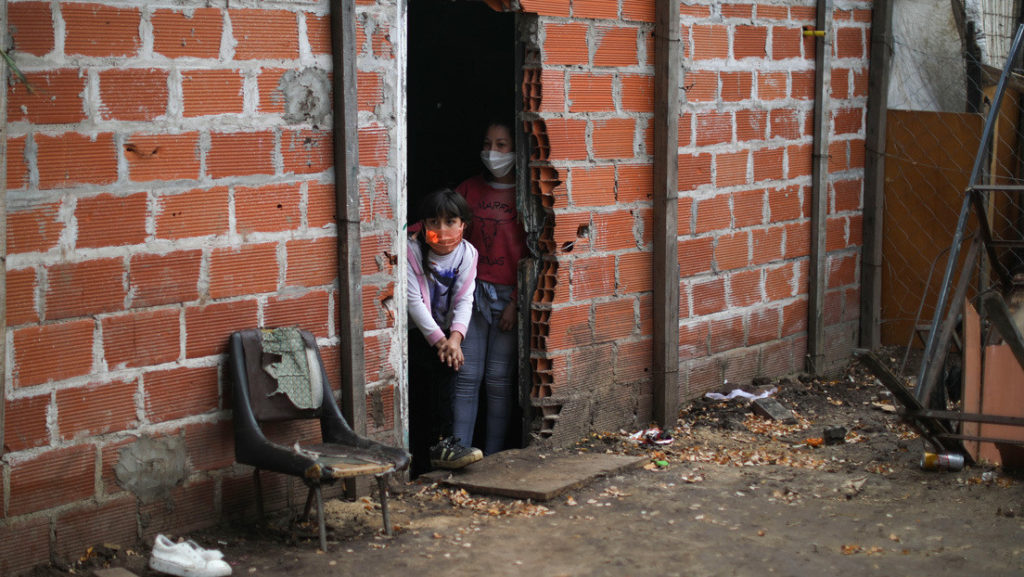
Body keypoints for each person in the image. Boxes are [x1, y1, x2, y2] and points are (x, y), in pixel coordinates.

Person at [453, 120, 527, 456]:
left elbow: (531, 253)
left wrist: (515, 302)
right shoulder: (469, 190)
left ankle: (495, 457)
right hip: (472, 295)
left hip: (508, 299)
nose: (492, 152)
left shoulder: (525, 194)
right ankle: (459, 452)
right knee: (466, 377)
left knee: (498, 380)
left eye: (501, 145)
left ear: (516, 149)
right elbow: (444, 221)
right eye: (487, 144)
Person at [407, 188, 483, 475]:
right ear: (423, 224)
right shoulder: (411, 251)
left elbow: (465, 298)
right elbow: (413, 302)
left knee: (446, 386)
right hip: (417, 332)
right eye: (433, 222)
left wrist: (455, 338)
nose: (442, 230)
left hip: (447, 336)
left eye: (450, 221)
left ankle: (444, 446)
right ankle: (420, 461)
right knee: (420, 396)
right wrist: (442, 341)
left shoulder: (468, 254)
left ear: (463, 224)